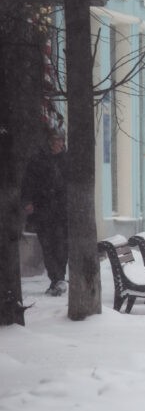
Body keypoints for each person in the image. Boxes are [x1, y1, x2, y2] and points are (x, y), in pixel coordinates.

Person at [21, 127, 68, 296]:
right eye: (55, 140)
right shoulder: (38, 160)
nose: (58, 143)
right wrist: (28, 201)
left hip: (62, 211)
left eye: (60, 140)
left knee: (61, 246)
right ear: (49, 142)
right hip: (43, 210)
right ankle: (55, 278)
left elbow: (70, 184)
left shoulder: (66, 160)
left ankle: (60, 277)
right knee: (48, 246)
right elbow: (28, 182)